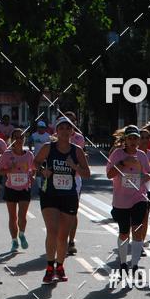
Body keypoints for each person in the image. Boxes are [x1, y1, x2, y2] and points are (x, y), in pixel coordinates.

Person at [34, 116, 91, 283]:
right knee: (52, 230)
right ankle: (49, 267)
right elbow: (35, 163)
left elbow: (87, 174)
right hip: (50, 194)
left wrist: (75, 167)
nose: (65, 131)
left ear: (72, 132)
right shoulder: (48, 148)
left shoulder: (77, 151)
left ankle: (60, 265)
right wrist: (43, 170)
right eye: (62, 128)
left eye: (68, 128)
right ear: (56, 131)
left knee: (63, 235)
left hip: (69, 196)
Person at [106, 124, 150, 279]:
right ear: (125, 139)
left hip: (139, 197)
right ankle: (123, 263)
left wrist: (145, 177)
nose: (133, 141)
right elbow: (109, 174)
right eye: (130, 138)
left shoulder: (142, 156)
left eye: (136, 138)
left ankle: (135, 265)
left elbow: (149, 174)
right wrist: (123, 163)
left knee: (137, 231)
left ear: (139, 141)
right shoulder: (117, 154)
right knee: (124, 233)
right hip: (121, 200)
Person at [0, 128, 34, 250]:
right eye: (16, 137)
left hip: (24, 188)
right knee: (13, 217)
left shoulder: (29, 155)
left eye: (21, 137)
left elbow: (33, 170)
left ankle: (21, 234)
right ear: (12, 140)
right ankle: (14, 241)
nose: (19, 140)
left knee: (22, 216)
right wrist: (9, 170)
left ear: (24, 139)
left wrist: (32, 176)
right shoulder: (7, 154)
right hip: (11, 188)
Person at [64, 111, 86, 256]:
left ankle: (71, 240)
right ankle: (61, 238)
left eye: (72, 122)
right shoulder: (55, 137)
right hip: (57, 177)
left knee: (73, 210)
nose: (69, 125)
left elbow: (80, 157)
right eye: (66, 122)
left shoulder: (79, 138)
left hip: (74, 177)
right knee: (59, 211)